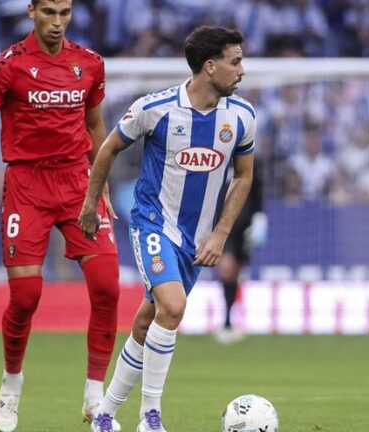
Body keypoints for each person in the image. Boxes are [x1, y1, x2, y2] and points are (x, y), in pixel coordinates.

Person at [80, 26, 256, 432]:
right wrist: (92, 203)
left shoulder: (243, 117)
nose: (242, 70)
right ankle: (150, 416)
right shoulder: (155, 108)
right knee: (173, 308)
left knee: (147, 322)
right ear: (210, 67)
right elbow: (107, 148)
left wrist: (220, 234)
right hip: (153, 224)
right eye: (235, 61)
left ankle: (104, 415)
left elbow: (243, 177)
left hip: (197, 241)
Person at [0, 1, 121, 431]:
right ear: (31, 11)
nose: (57, 22)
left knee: (107, 287)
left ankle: (95, 399)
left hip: (77, 185)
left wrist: (100, 178)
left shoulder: (89, 63)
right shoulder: (7, 65)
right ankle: (11, 386)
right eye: (48, 11)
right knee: (27, 297)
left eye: (65, 12)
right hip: (27, 187)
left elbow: (95, 126)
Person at [214, 159, 264, 345]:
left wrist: (259, 218)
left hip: (244, 226)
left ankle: (228, 321)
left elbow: (258, 193)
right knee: (226, 270)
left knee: (235, 273)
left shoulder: (251, 161)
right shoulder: (219, 158)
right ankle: (226, 322)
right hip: (223, 226)